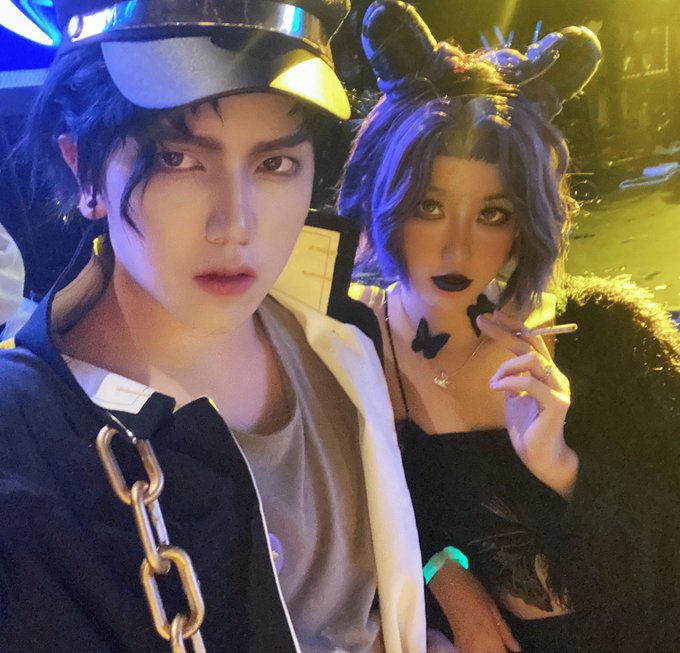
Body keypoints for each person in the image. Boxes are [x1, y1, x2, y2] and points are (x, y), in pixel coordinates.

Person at [0, 1, 429, 651]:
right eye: (176, 158)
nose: (237, 224)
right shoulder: (23, 457)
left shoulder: (343, 351)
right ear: (85, 171)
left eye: (274, 164)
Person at [338, 2, 680, 652]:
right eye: (428, 205)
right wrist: (441, 574)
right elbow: (334, 526)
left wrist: (563, 467)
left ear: (526, 219)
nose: (457, 248)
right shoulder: (347, 350)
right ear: (383, 198)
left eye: (492, 213)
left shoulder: (609, 338)